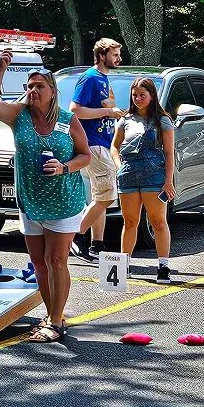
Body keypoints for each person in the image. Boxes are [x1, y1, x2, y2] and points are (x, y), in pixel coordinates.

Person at [0, 51, 90, 342]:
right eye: (29, 86)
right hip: (30, 200)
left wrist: (64, 167)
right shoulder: (19, 116)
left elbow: (86, 155)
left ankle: (56, 321)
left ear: (52, 92)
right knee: (39, 263)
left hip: (63, 200)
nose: (32, 91)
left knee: (57, 260)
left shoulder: (69, 120)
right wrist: (2, 69)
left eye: (39, 86)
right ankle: (51, 313)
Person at [113, 77, 177, 280]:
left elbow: (169, 153)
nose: (138, 98)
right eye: (135, 95)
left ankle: (163, 266)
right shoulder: (125, 120)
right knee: (130, 221)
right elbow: (114, 146)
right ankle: (124, 266)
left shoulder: (162, 121)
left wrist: (168, 181)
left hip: (154, 176)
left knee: (158, 221)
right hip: (129, 175)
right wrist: (119, 166)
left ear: (151, 96)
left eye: (142, 95)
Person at [69, 37, 125, 262]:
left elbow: (103, 108)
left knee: (99, 195)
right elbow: (75, 110)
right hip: (93, 143)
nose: (118, 58)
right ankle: (76, 235)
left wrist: (114, 114)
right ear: (102, 56)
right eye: (114, 54)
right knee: (107, 195)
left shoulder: (104, 78)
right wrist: (107, 113)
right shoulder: (90, 78)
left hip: (104, 142)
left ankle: (96, 245)